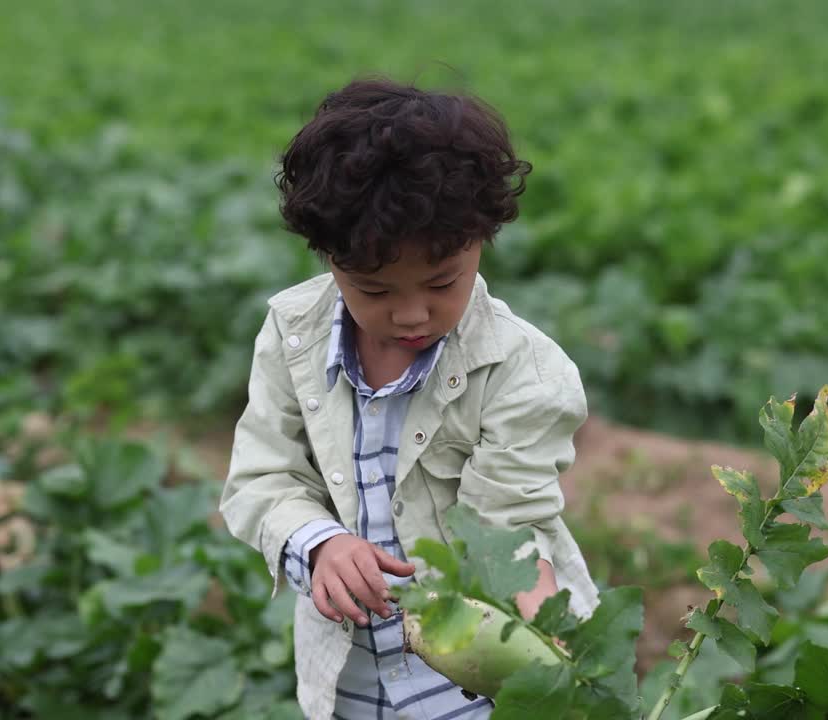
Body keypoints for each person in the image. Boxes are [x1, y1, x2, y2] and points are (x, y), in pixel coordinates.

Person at [219, 76, 600, 720]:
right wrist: (318, 544)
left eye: (441, 282)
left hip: (480, 682)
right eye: (373, 291)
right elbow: (262, 476)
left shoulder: (522, 371)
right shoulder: (293, 335)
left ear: (483, 239)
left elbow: (506, 530)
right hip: (350, 683)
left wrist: (560, 660)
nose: (412, 313)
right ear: (328, 259)